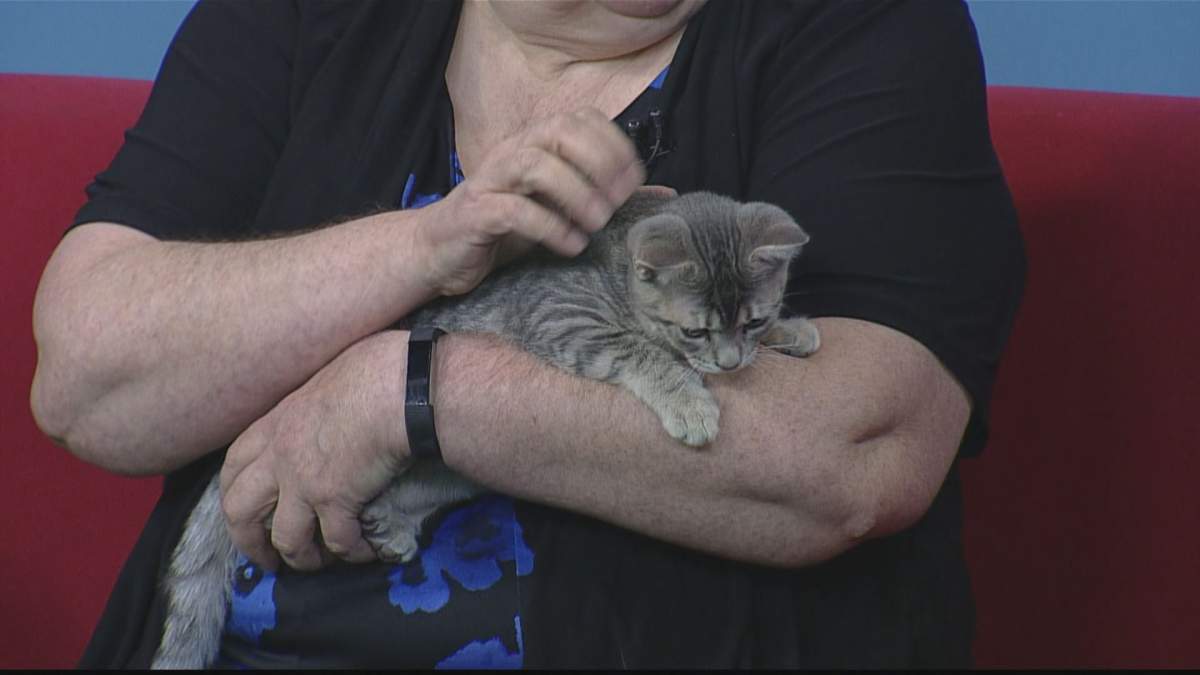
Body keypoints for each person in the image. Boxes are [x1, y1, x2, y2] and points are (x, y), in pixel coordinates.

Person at [30, 0, 1024, 668]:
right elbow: (88, 380)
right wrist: (430, 246)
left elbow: (858, 453)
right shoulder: (310, 18)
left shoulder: (862, 29)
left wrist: (420, 395)